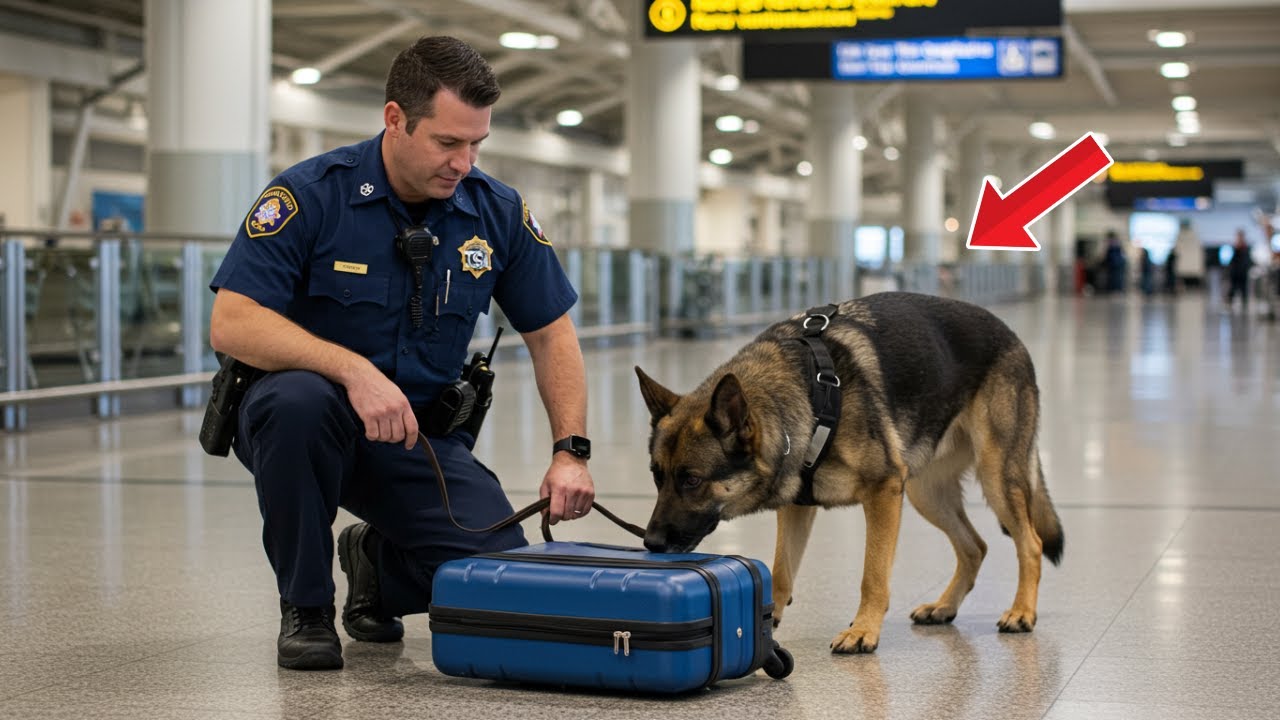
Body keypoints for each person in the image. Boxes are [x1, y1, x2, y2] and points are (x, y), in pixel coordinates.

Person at [208, 36, 596, 671]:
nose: (464, 162)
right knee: (298, 401)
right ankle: (306, 608)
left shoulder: (493, 212)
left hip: (417, 437)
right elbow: (232, 321)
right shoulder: (311, 195)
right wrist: (351, 369)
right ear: (395, 119)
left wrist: (569, 452)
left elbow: (552, 333)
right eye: (448, 143)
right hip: (307, 421)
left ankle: (375, 568)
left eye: (476, 144)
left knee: (495, 570)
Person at [1226, 229, 1254, 311]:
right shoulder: (1235, 247)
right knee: (1233, 288)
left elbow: (1248, 260)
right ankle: (1229, 303)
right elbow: (1232, 261)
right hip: (1235, 273)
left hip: (1243, 272)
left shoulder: (1245, 247)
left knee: (1243, 289)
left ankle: (1244, 305)